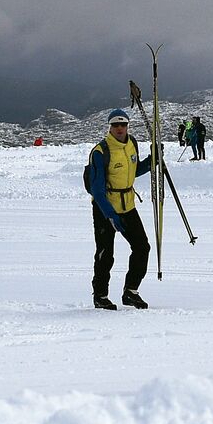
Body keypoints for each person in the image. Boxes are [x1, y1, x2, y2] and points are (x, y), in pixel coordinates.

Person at [86, 109, 151, 310]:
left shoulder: (132, 144)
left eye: (123, 124)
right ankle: (100, 295)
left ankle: (131, 291)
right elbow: (97, 189)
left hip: (128, 205)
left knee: (142, 247)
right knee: (106, 253)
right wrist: (111, 215)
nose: (120, 128)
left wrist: (151, 162)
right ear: (110, 127)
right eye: (115, 125)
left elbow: (133, 171)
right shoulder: (100, 151)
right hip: (105, 208)